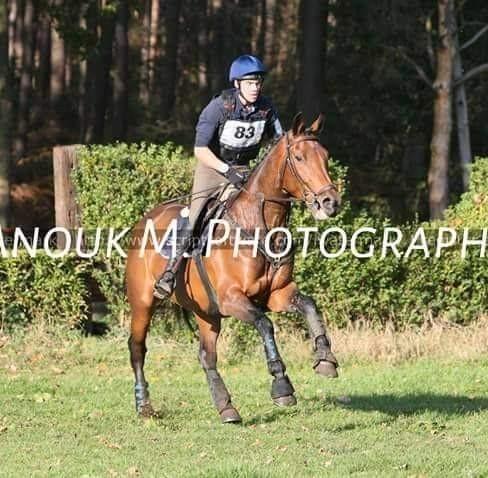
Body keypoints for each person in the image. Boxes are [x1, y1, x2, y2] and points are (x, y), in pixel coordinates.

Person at [154, 54, 284, 298]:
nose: (255, 88)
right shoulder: (218, 107)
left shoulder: (267, 108)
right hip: (213, 168)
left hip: (245, 169)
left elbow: (280, 140)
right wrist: (226, 171)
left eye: (258, 83)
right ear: (237, 84)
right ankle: (170, 271)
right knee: (196, 214)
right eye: (249, 83)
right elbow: (200, 150)